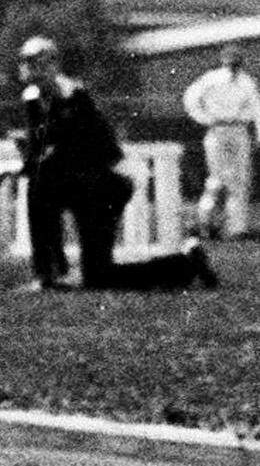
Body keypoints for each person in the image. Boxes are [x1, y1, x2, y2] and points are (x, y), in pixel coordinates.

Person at [16, 37, 215, 292]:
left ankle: (186, 264)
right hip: (76, 182)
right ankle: (49, 273)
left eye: (41, 64)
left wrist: (41, 153)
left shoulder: (74, 95)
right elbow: (41, 148)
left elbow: (86, 146)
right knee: (40, 189)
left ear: (55, 64)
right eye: (30, 64)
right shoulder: (33, 98)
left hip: (101, 184)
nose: (35, 70)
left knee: (98, 277)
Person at [183, 47, 259, 242]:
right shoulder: (211, 79)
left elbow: (256, 109)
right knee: (218, 178)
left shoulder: (246, 82)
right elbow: (190, 99)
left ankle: (237, 228)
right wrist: (205, 118)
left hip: (239, 129)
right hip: (217, 129)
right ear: (224, 60)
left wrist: (258, 136)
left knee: (240, 180)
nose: (233, 63)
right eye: (230, 59)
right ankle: (204, 222)